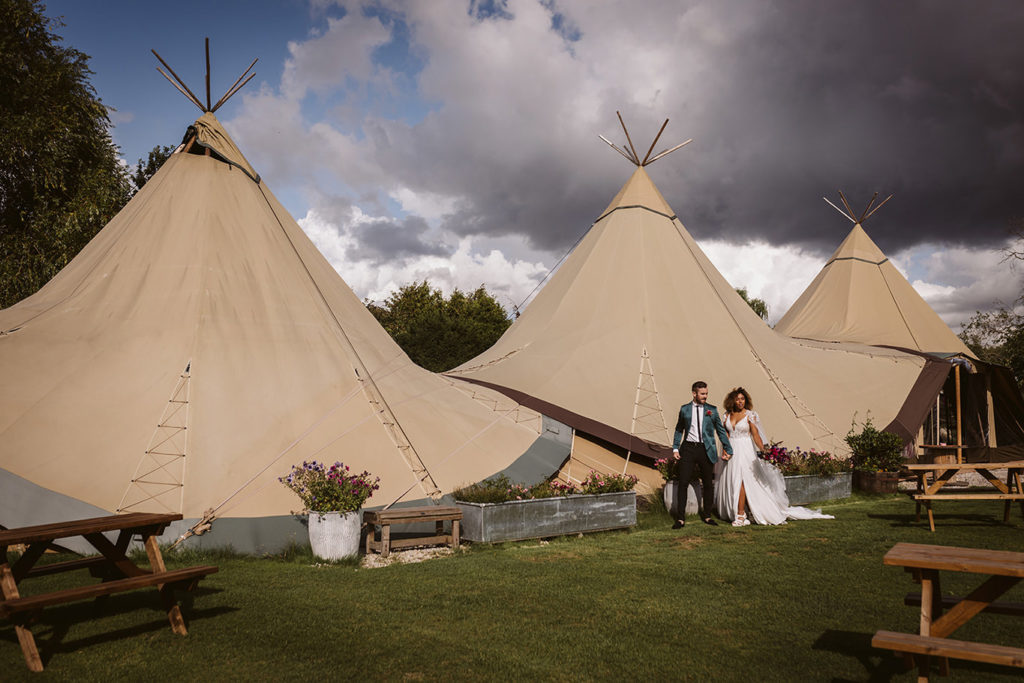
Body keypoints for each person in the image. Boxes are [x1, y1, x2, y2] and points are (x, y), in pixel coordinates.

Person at [715, 387, 834, 526]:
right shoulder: (727, 415)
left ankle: (741, 515)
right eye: (737, 399)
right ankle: (747, 511)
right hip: (732, 451)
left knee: (742, 480)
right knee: (733, 480)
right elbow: (726, 435)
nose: (740, 401)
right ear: (732, 401)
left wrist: (764, 450)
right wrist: (725, 450)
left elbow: (755, 435)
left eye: (743, 399)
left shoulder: (750, 415)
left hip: (746, 451)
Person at [671, 380, 732, 528]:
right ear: (694, 393)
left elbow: (720, 431)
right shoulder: (684, 409)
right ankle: (680, 519)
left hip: (706, 449)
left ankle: (707, 516)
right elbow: (679, 429)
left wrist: (728, 449)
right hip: (688, 449)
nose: (705, 396)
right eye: (702, 394)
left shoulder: (712, 410)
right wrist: (675, 448)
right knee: (683, 482)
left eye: (706, 393)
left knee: (708, 484)